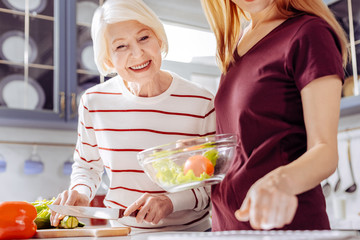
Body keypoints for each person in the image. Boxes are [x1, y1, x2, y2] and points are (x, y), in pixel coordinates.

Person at [50, 0, 215, 232]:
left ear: (159, 39)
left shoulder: (201, 102)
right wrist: (80, 192)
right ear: (108, 58)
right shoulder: (94, 102)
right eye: (121, 47)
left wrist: (171, 202)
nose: (137, 53)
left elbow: (213, 185)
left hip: (191, 234)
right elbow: (87, 166)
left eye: (144, 38)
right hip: (122, 233)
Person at [200, 0, 348, 231]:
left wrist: (279, 182)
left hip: (285, 227)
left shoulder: (309, 32)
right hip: (228, 227)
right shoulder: (235, 45)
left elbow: (325, 151)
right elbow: (244, 146)